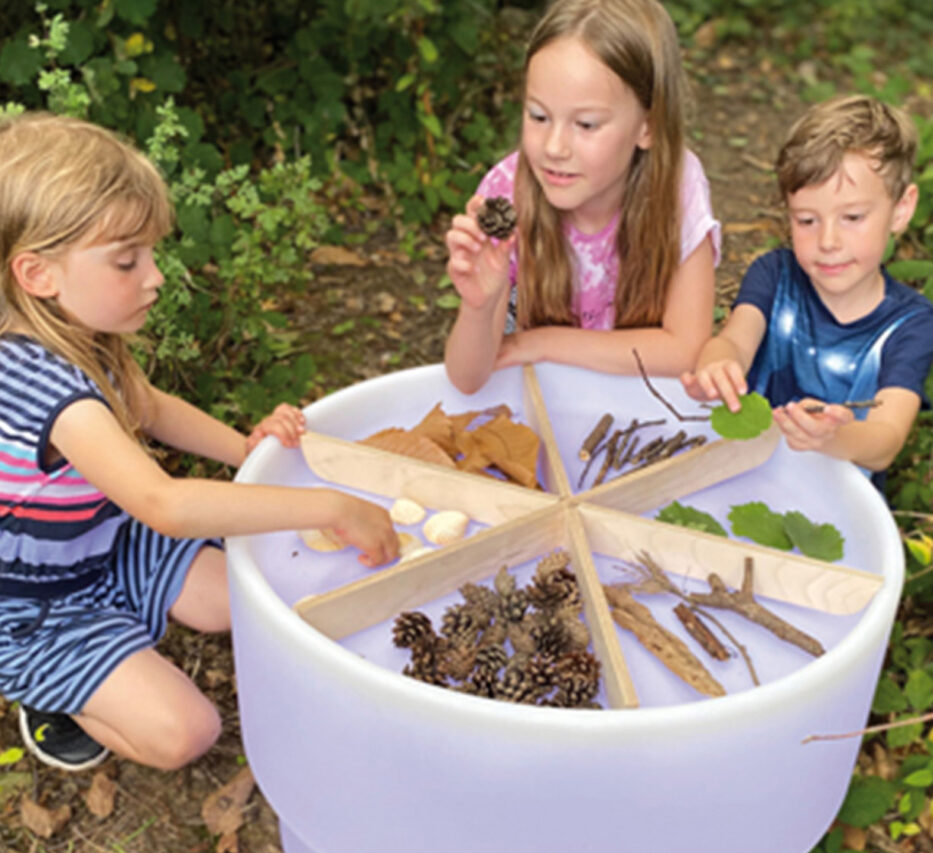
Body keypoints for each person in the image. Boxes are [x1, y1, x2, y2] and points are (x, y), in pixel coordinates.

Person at [0, 113, 398, 773]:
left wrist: (247, 451)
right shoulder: (49, 392)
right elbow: (164, 503)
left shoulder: (78, 336)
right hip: (33, 609)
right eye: (127, 261)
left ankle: (114, 646)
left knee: (240, 595)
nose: (155, 277)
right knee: (185, 732)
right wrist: (328, 506)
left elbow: (149, 407)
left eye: (151, 253)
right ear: (39, 274)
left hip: (104, 543)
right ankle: (52, 690)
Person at [444, 0, 720, 394]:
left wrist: (540, 342)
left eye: (586, 124)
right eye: (539, 116)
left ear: (648, 127)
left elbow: (686, 350)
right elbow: (467, 379)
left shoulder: (676, 187)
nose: (554, 147)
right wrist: (479, 306)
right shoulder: (507, 193)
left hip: (637, 405)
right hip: (543, 400)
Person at [682, 94, 933, 477]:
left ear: (901, 209)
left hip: (838, 503)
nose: (828, 241)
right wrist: (718, 365)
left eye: (851, 216)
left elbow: (886, 439)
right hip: (746, 469)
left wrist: (831, 440)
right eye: (806, 221)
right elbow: (735, 340)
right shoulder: (774, 275)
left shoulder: (911, 323)